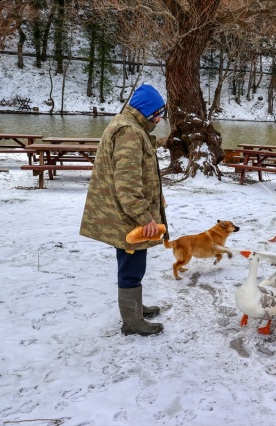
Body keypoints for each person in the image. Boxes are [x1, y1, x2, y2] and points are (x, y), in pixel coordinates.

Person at [80, 84, 169, 336]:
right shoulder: (130, 132)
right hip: (127, 216)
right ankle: (132, 323)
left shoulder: (130, 125)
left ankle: (135, 308)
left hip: (124, 213)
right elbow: (127, 184)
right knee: (131, 267)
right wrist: (144, 216)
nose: (160, 119)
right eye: (158, 114)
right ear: (147, 111)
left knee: (132, 265)